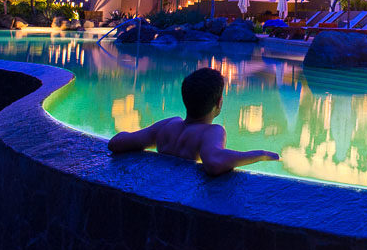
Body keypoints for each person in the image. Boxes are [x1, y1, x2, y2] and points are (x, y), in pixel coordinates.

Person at [107, 67, 279, 175]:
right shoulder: (212, 131)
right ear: (219, 103)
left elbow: (117, 143)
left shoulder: (167, 126)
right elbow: (214, 162)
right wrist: (260, 155)